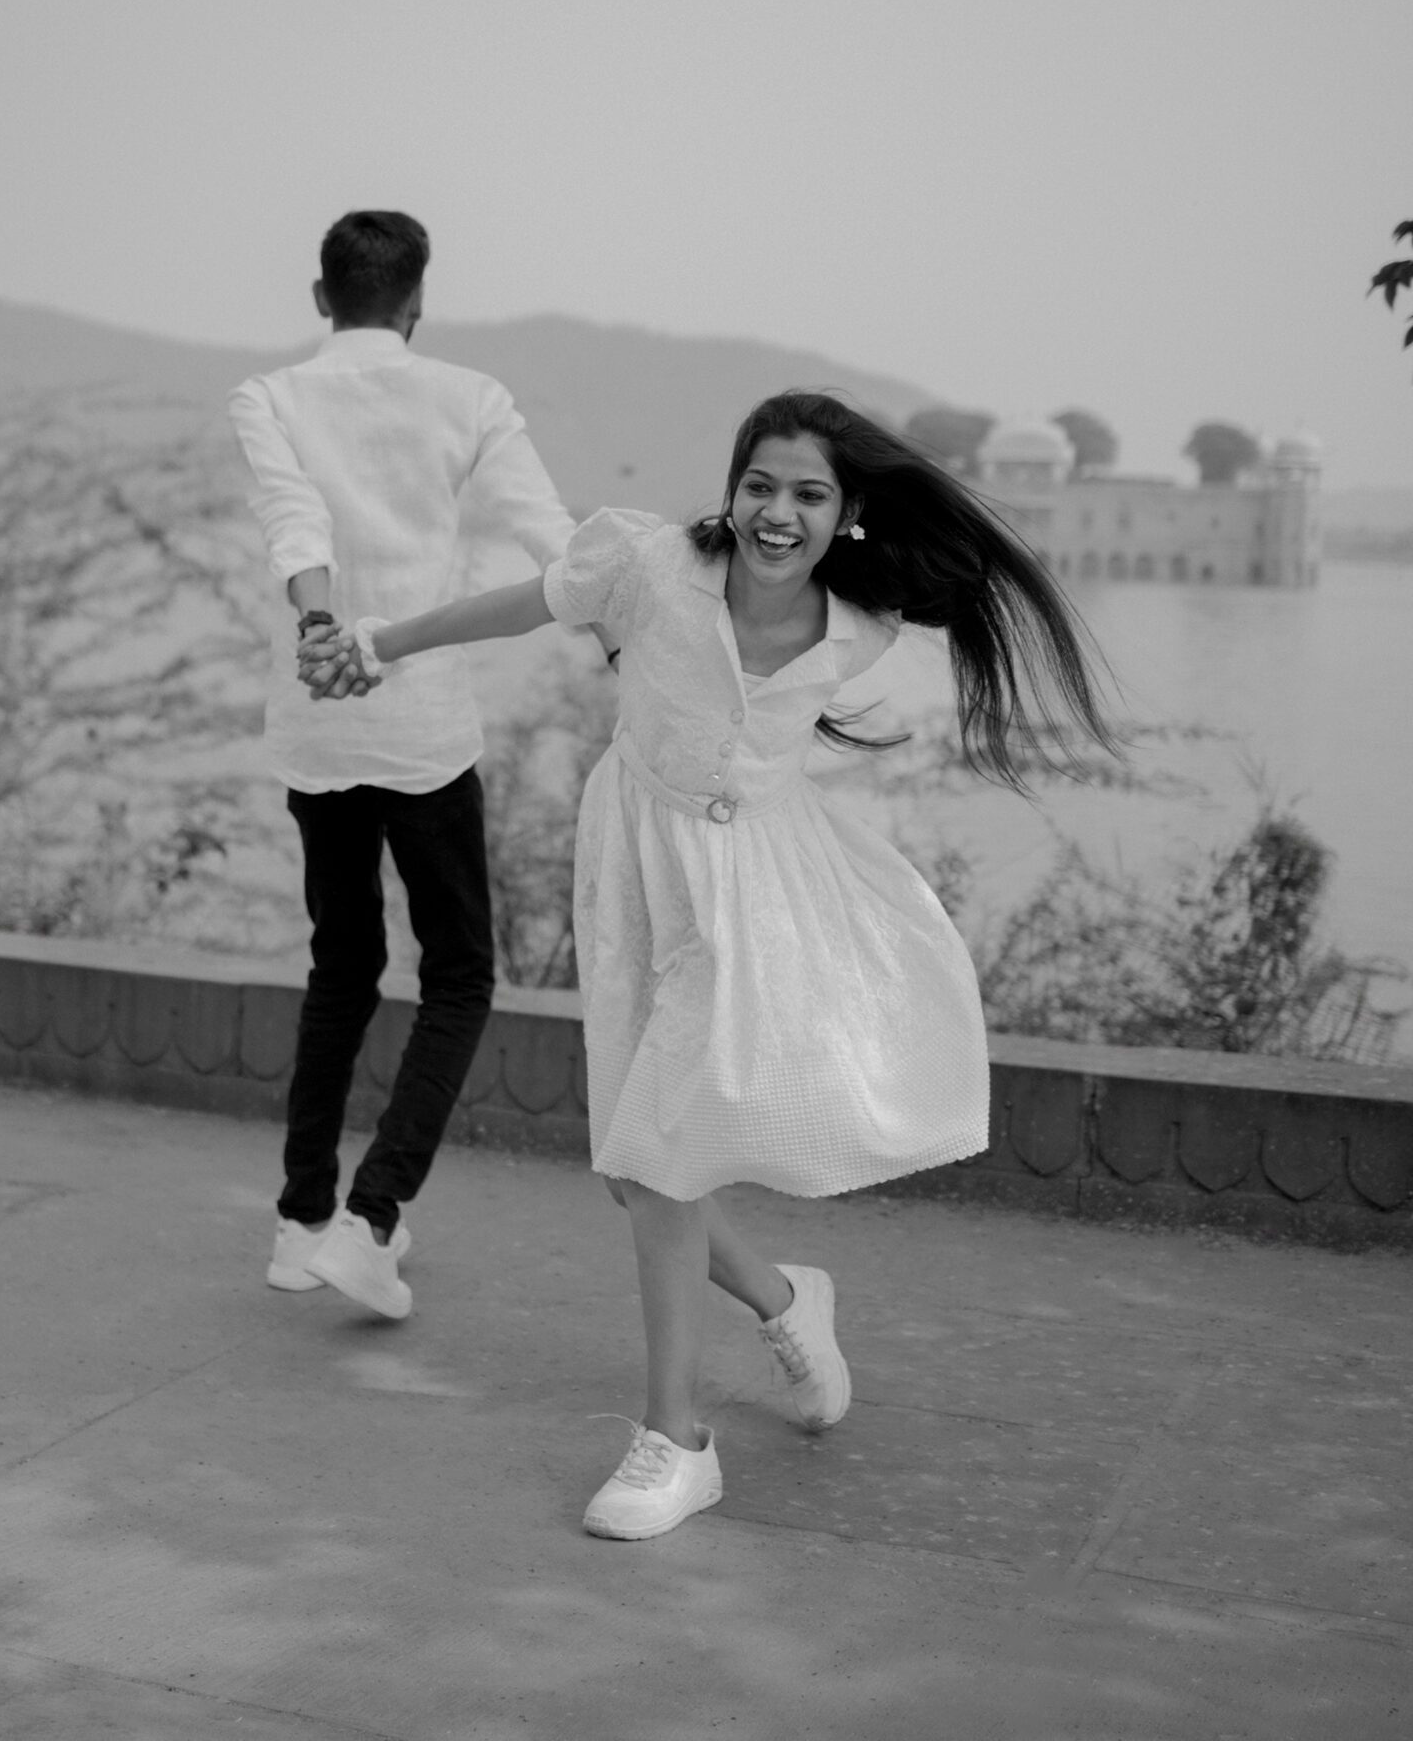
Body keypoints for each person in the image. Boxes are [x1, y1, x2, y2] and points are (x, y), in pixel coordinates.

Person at [301, 388, 1118, 1539]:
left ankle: (676, 1440)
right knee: (637, 1170)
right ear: (731, 491)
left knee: (661, 1157)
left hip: (759, 899)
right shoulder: (647, 564)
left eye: (809, 494)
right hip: (638, 869)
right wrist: (377, 642)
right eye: (759, 485)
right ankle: (788, 1303)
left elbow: (949, 583)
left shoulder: (862, 624)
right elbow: (519, 605)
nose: (779, 512)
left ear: (847, 511)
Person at [229, 209, 578, 1321]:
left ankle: (301, 1221)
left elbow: (294, 525)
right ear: (418, 299)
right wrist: (632, 613)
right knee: (460, 975)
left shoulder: (269, 397)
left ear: (320, 296)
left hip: (319, 718)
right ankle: (371, 1219)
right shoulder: (471, 397)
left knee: (342, 965)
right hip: (422, 721)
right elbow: (550, 537)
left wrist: (319, 628)